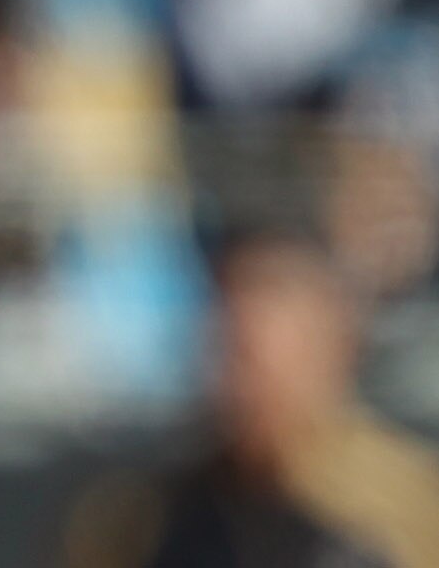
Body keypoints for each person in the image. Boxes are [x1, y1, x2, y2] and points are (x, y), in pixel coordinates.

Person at [63, 231, 439, 568]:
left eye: (265, 352)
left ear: (337, 344)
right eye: (232, 347)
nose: (246, 381)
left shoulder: (405, 511)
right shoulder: (141, 520)